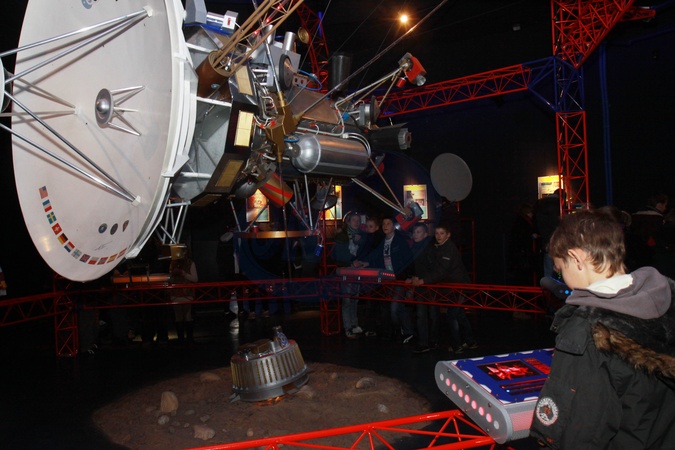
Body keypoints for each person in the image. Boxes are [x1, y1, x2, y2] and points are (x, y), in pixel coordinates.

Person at [530, 209, 675, 448]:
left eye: (561, 268)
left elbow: (577, 434)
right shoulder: (667, 298)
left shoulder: (587, 331)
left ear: (576, 258)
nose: (563, 278)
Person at [412, 222, 477, 354]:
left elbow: (441, 271)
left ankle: (456, 345)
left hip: (458, 286)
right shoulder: (440, 247)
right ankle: (470, 341)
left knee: (452, 315)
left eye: (442, 233)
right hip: (453, 286)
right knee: (459, 314)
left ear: (448, 235)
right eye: (437, 233)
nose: (438, 236)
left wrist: (423, 280)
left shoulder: (448, 249)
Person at [357, 216, 414, 343]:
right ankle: (404, 331)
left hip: (399, 278)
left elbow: (408, 259)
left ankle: (405, 330)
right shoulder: (383, 242)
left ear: (394, 227)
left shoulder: (399, 241)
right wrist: (364, 262)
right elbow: (375, 255)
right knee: (394, 306)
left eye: (388, 223)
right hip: (387, 278)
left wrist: (408, 276)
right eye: (384, 223)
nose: (385, 226)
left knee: (395, 307)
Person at [406, 223, 439, 353]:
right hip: (420, 284)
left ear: (425, 234)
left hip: (430, 285)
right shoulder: (414, 248)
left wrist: (421, 278)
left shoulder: (430, 248)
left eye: (418, 232)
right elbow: (413, 266)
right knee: (421, 314)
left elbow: (433, 268)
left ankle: (433, 340)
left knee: (432, 314)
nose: (415, 235)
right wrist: (412, 277)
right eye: (414, 232)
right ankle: (424, 342)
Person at [332, 212, 365, 339]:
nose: (356, 222)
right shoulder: (342, 236)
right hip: (346, 268)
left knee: (355, 298)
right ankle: (348, 327)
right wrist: (352, 261)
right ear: (348, 222)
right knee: (347, 299)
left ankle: (354, 324)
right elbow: (340, 254)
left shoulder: (360, 236)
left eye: (358, 220)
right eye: (354, 220)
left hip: (356, 269)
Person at [169, 247, 198, 345]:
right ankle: (182, 339)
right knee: (179, 315)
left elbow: (195, 279)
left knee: (186, 314)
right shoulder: (173, 263)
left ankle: (188, 339)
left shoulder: (190, 263)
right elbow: (170, 279)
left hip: (186, 293)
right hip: (176, 293)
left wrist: (184, 274)